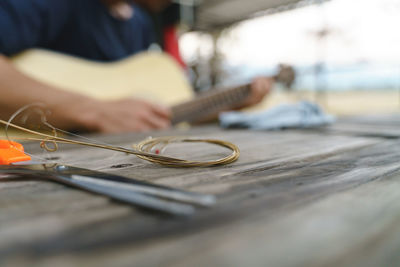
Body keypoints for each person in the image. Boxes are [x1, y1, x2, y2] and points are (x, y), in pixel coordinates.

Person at [0, 0, 272, 133]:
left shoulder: (140, 23)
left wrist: (222, 106)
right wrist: (93, 111)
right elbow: (110, 114)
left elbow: (154, 113)